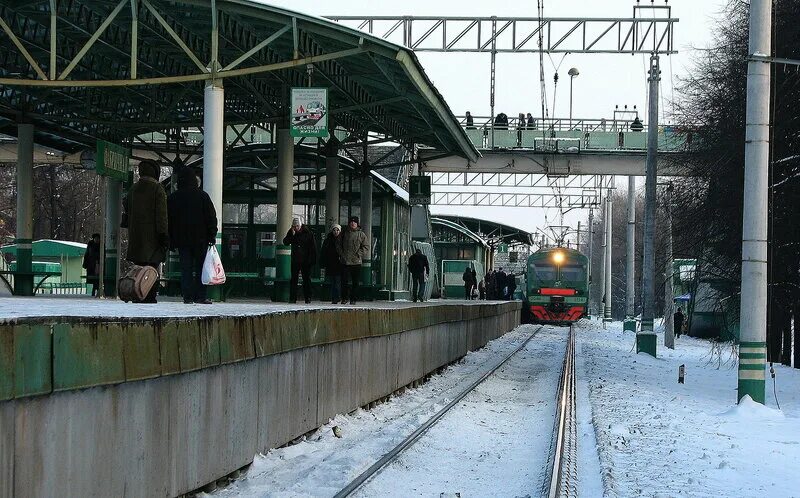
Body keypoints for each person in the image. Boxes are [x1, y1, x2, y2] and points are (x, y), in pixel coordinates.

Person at [167, 167, 217, 304]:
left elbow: (169, 221)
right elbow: (211, 217)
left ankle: (187, 296)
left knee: (186, 269)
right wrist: (212, 235)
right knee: (202, 267)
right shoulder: (202, 196)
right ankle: (201, 295)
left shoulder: (173, 198)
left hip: (182, 240)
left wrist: (170, 240)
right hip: (201, 239)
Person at [121, 159, 168, 303]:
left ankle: (137, 293)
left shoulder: (133, 189)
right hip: (153, 238)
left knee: (138, 268)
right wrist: (163, 235)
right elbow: (161, 215)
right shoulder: (157, 189)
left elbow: (126, 207)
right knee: (151, 270)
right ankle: (149, 295)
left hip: (136, 237)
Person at [283, 217, 317, 303]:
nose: (296, 228)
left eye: (297, 226)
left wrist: (311, 260)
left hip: (306, 260)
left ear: (300, 225)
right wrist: (292, 235)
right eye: (294, 226)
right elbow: (285, 242)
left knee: (306, 279)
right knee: (294, 279)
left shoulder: (308, 233)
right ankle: (292, 298)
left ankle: (308, 297)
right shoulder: (291, 233)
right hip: (295, 260)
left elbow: (312, 247)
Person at [337, 215, 369, 305]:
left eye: (354, 222)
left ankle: (353, 299)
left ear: (357, 224)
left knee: (355, 282)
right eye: (351, 222)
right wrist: (342, 254)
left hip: (356, 262)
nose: (353, 223)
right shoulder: (343, 233)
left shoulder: (361, 234)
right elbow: (338, 244)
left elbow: (366, 247)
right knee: (344, 281)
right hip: (345, 261)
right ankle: (344, 298)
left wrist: (359, 254)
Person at [321, 224, 344, 304]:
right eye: (334, 230)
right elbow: (324, 252)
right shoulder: (328, 240)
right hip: (330, 263)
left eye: (337, 230)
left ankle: (337, 297)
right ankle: (335, 297)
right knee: (333, 281)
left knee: (337, 281)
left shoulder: (342, 240)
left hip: (339, 263)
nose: (336, 232)